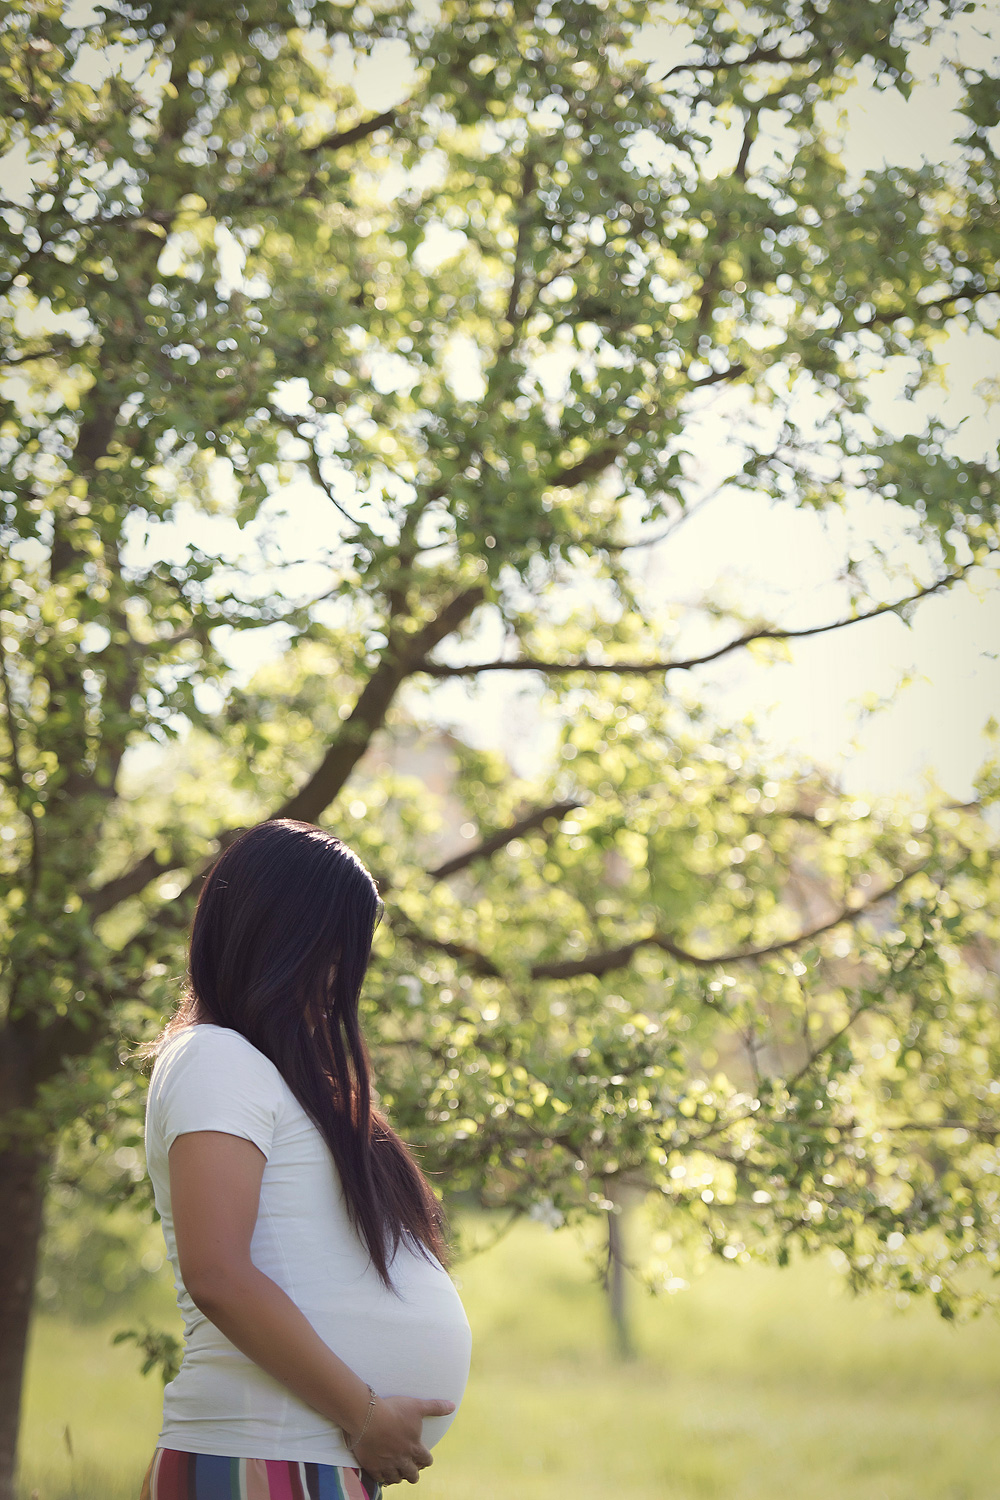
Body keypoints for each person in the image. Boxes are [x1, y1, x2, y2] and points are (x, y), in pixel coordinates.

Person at [137, 818, 472, 1500]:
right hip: (261, 1459)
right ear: (275, 936)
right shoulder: (214, 1058)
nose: (341, 975)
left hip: (310, 1462)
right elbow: (219, 1273)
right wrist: (365, 1413)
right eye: (330, 947)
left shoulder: (277, 1076)